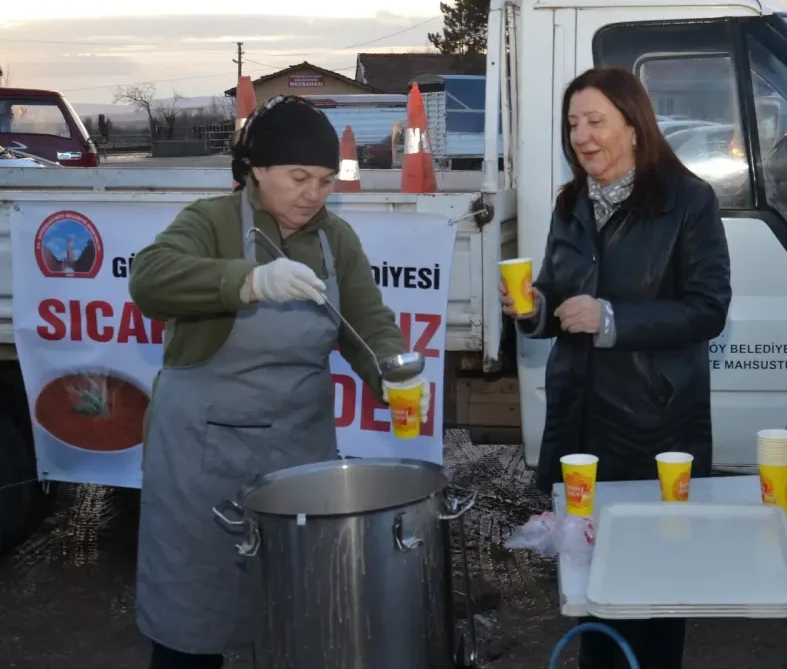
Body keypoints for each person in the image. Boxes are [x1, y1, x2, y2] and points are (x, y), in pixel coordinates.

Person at [129, 96, 427, 669]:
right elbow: (150, 279)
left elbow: (370, 326)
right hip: (202, 466)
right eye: (298, 177)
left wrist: (393, 374)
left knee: (301, 620)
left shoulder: (334, 240)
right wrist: (252, 281)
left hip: (297, 462)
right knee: (192, 624)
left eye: (323, 180)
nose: (313, 194)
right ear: (258, 169)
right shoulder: (211, 222)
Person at [501, 67, 731, 669]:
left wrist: (611, 319)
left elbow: (708, 309)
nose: (581, 135)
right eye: (573, 123)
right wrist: (532, 311)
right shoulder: (572, 202)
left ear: (634, 126)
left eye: (595, 121)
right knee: (590, 588)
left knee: (654, 589)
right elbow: (557, 299)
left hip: (655, 430)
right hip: (580, 429)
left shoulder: (689, 201)